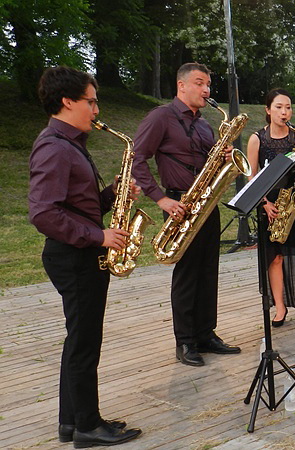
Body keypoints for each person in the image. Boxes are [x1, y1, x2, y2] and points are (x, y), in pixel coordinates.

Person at [28, 66, 142, 447]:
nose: (96, 110)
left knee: (79, 339)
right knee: (84, 343)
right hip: (75, 256)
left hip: (79, 253)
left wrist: (113, 194)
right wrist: (99, 236)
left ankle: (71, 421)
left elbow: (77, 204)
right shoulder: (54, 147)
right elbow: (44, 213)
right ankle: (88, 427)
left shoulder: (70, 144)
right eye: (90, 102)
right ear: (67, 102)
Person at [132, 62, 241, 367]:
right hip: (179, 203)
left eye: (208, 84)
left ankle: (206, 334)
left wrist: (225, 158)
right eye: (199, 83)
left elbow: (210, 165)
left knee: (208, 271)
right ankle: (185, 341)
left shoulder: (205, 125)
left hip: (207, 203)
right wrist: (161, 199)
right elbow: (137, 159)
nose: (206, 90)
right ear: (181, 85)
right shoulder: (161, 117)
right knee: (188, 274)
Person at [245, 88, 295, 327]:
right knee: (275, 258)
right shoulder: (257, 139)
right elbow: (252, 176)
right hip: (271, 203)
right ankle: (280, 308)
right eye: (279, 107)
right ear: (268, 110)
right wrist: (264, 203)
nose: (284, 112)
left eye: (288, 107)